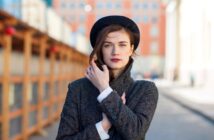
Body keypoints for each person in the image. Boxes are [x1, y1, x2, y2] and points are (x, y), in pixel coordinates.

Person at [56, 15, 158, 140]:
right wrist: (102, 127)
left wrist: (105, 91)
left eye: (122, 45)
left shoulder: (145, 90)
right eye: (107, 45)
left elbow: (136, 134)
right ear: (100, 50)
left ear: (131, 49)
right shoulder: (78, 89)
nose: (115, 51)